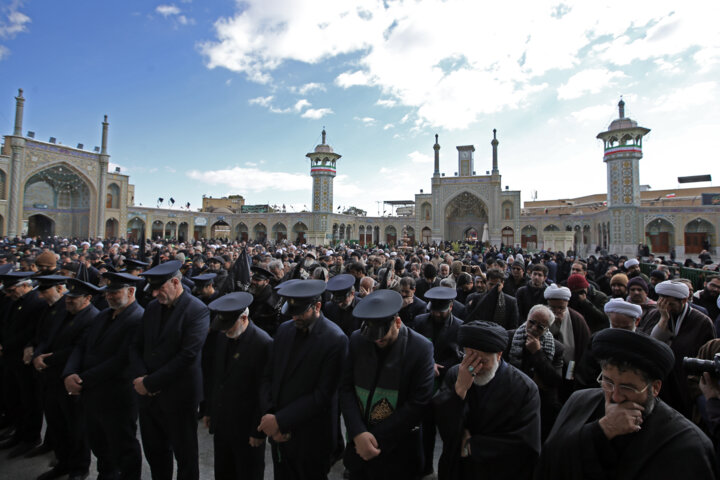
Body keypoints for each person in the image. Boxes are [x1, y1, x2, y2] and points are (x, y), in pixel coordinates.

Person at [535, 328, 717, 479]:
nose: (615, 396)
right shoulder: (580, 402)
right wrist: (601, 431)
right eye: (608, 382)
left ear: (654, 388)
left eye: (627, 387)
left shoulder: (687, 444)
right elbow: (550, 464)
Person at [340, 289, 434, 479]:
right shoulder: (358, 339)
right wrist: (358, 433)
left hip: (399, 449)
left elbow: (418, 403)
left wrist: (373, 439)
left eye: (382, 334)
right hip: (359, 445)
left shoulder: (421, 348)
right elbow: (345, 387)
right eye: (372, 335)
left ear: (397, 322)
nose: (377, 340)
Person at [258, 279, 348, 479]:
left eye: (301, 311)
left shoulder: (335, 340)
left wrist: (281, 421)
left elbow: (323, 395)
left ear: (317, 306)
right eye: (292, 311)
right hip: (279, 435)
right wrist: (270, 415)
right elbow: (268, 376)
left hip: (311, 439)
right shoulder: (284, 330)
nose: (295, 316)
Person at [129, 260, 209, 480]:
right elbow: (137, 345)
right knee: (156, 452)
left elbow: (187, 356)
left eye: (159, 288)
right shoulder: (153, 308)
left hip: (178, 396)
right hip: (148, 398)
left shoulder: (197, 310)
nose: (155, 294)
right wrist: (140, 377)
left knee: (185, 456)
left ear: (175, 282)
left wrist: (150, 383)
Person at [434, 321, 541, 479]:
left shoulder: (524, 388)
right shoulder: (455, 375)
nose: (475, 368)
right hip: (458, 469)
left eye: (483, 362)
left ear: (499, 355)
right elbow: (442, 423)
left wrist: (473, 445)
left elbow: (526, 443)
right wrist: (460, 391)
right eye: (469, 360)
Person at [62, 272, 144, 480]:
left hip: (116, 395)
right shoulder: (103, 315)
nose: (109, 297)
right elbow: (82, 346)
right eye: (108, 293)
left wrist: (82, 379)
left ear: (131, 291)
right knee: (99, 443)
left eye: (115, 293)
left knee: (123, 446)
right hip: (91, 393)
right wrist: (70, 372)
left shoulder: (137, 318)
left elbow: (122, 360)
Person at [34, 278, 102, 480]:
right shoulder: (63, 313)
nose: (69, 301)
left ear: (88, 298)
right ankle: (63, 463)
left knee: (76, 427)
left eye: (74, 299)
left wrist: (49, 359)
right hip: (51, 377)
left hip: (71, 379)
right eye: (68, 297)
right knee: (56, 424)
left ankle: (79, 468)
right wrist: (38, 353)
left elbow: (79, 348)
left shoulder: (93, 318)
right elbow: (46, 337)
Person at [204, 292, 272, 480]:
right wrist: (210, 410)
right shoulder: (223, 336)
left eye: (229, 325)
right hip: (223, 424)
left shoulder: (262, 343)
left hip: (247, 429)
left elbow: (264, 392)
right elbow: (216, 376)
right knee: (224, 472)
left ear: (244, 318)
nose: (225, 330)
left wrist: (257, 431)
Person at [638, 280, 715, 418]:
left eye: (671, 304)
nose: (666, 308)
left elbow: (708, 354)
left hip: (684, 384)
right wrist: (663, 321)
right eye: (663, 303)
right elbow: (648, 346)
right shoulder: (654, 314)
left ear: (684, 300)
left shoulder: (702, 322)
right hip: (659, 381)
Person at [411, 287, 464, 476]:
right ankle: (424, 466)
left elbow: (460, 357)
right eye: (434, 310)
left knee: (448, 432)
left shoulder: (459, 326)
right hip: (424, 383)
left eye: (440, 311)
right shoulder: (420, 321)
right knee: (424, 430)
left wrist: (441, 368)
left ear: (450, 307)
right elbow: (414, 347)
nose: (436, 314)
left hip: (446, 386)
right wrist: (429, 364)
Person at [0, 271, 47, 457]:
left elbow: (30, 332)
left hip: (23, 359)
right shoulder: (16, 301)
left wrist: (6, 345)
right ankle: (18, 431)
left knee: (29, 399)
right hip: (10, 356)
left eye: (12, 290)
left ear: (25, 286)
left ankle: (30, 437)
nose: (9, 294)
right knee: (14, 395)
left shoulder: (35, 303)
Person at [507, 305, 564, 439]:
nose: (533, 328)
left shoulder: (557, 348)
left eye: (540, 327)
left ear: (546, 329)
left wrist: (537, 353)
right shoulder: (509, 337)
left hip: (540, 403)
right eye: (531, 322)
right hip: (512, 398)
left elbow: (555, 380)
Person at [248, 266, 282, 337]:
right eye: (253, 279)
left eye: (257, 280)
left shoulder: (271, 300)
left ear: (266, 281)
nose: (254, 282)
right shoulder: (250, 293)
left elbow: (272, 325)